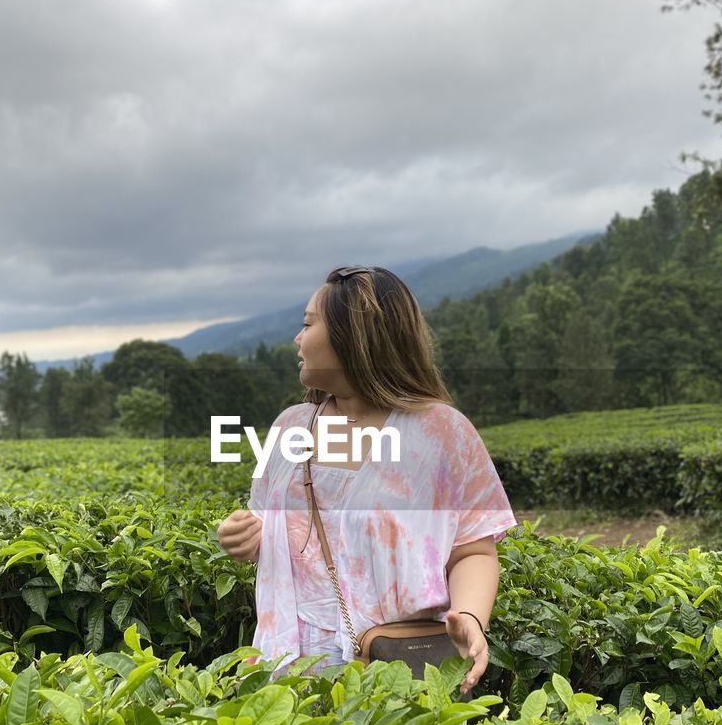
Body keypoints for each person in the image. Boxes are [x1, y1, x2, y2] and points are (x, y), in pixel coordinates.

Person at [217, 265, 517, 696]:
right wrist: (245, 537)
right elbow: (277, 531)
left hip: (396, 671)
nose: (297, 340)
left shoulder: (440, 433)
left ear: (352, 334)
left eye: (307, 324)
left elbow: (473, 550)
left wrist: (470, 617)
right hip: (288, 675)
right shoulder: (290, 429)